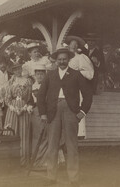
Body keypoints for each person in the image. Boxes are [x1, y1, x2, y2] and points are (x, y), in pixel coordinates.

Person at [37, 48, 93, 187]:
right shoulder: (50, 75)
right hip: (53, 111)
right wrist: (43, 113)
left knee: (72, 146)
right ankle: (51, 177)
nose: (62, 61)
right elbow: (40, 95)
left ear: (69, 60)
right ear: (56, 60)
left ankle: (73, 179)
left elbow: (88, 95)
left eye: (64, 59)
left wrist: (83, 112)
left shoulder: (76, 74)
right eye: (59, 59)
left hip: (71, 111)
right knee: (52, 145)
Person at [4, 64, 33, 166]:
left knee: (24, 132)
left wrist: (24, 107)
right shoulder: (10, 82)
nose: (17, 71)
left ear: (21, 69)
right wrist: (13, 108)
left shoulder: (28, 81)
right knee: (11, 131)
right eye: (15, 69)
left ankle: (23, 160)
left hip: (24, 108)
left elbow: (30, 98)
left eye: (19, 69)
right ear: (12, 71)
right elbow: (7, 98)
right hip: (12, 109)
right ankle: (11, 160)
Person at [67, 36, 94, 139]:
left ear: (78, 46)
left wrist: (77, 73)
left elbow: (90, 74)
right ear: (68, 45)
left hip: (76, 87)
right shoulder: (65, 58)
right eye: (71, 44)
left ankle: (79, 134)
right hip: (65, 88)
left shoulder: (81, 57)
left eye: (75, 45)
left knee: (76, 107)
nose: (73, 46)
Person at [30, 64, 48, 169]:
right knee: (38, 136)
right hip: (37, 111)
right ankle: (37, 161)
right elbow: (30, 100)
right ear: (35, 75)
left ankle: (45, 161)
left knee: (47, 136)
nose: (40, 76)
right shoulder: (33, 86)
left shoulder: (48, 85)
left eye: (42, 74)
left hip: (47, 111)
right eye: (38, 74)